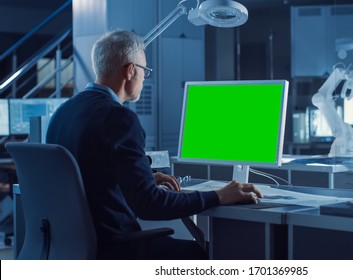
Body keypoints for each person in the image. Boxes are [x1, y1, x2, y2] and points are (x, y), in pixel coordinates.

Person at [46, 30, 262, 259]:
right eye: (144, 71)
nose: (144, 77)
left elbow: (89, 170)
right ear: (130, 70)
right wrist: (219, 196)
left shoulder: (63, 112)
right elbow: (149, 204)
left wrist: (143, 174)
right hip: (116, 250)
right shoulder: (119, 119)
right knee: (208, 255)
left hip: (72, 249)